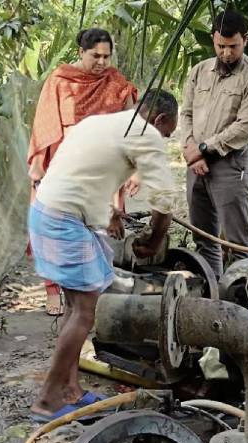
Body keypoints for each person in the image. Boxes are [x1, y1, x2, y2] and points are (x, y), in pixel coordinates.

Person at [28, 90, 180, 422]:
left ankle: (71, 390)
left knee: (73, 305)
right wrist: (154, 241)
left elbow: (82, 172)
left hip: (46, 211)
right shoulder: (146, 134)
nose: (164, 140)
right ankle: (47, 400)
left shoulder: (102, 122)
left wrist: (110, 212)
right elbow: (165, 201)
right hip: (65, 220)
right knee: (85, 311)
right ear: (160, 121)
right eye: (167, 134)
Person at [27, 28, 140, 316]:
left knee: (95, 233)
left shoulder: (116, 82)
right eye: (95, 56)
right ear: (80, 52)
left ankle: (91, 292)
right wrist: (39, 165)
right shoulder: (61, 81)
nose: (102, 62)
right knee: (58, 232)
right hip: (63, 167)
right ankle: (54, 289)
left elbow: (132, 125)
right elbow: (44, 123)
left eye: (106, 56)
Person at [180, 10, 248, 276]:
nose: (227, 53)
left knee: (238, 244)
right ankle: (212, 298)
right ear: (213, 40)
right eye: (221, 46)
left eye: (234, 46)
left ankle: (241, 304)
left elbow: (245, 128)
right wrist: (191, 151)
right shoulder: (199, 72)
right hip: (195, 166)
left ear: (246, 41)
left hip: (230, 165)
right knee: (204, 239)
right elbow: (186, 114)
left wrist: (204, 149)